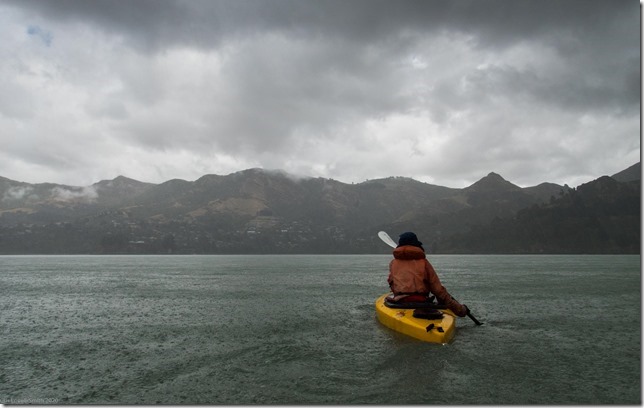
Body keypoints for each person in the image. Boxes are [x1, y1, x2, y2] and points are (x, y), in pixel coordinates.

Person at [387, 231, 468, 317]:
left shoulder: (393, 263)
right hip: (421, 302)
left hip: (400, 302)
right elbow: (438, 290)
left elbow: (392, 284)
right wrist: (460, 310)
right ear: (416, 245)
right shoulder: (424, 263)